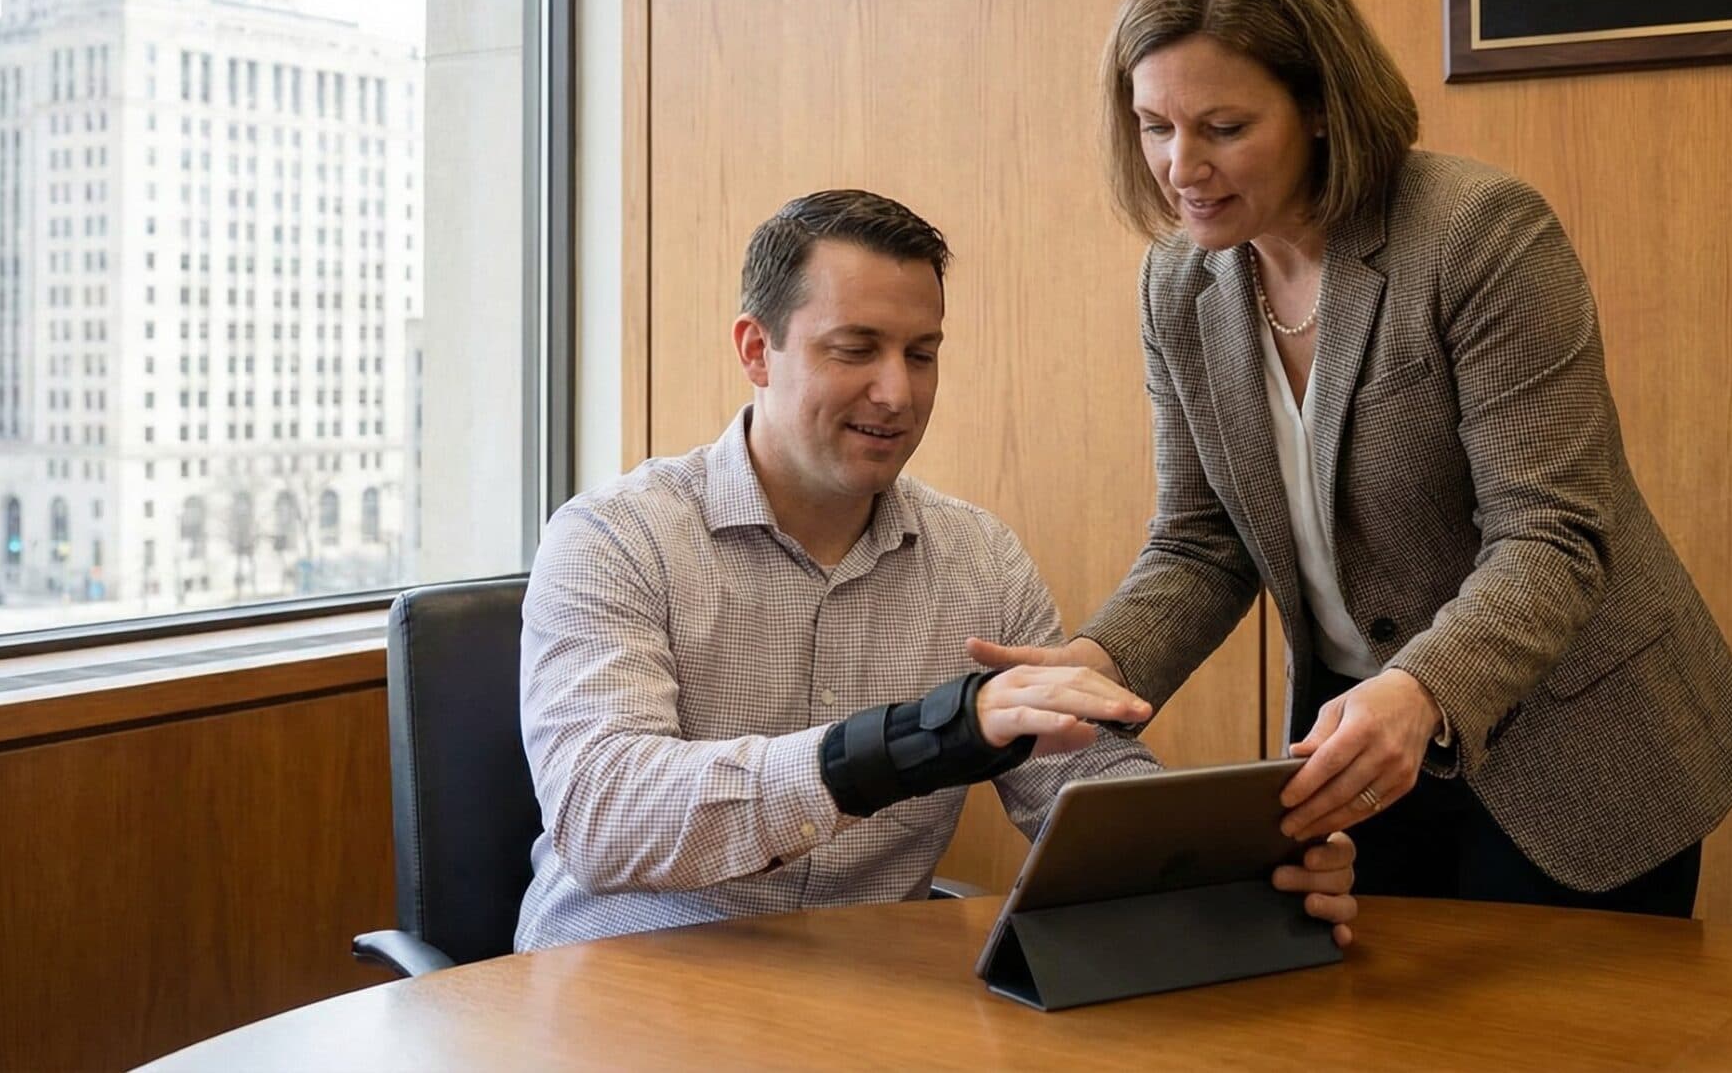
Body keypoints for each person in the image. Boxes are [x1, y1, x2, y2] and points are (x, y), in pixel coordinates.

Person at [973, 0, 1732, 916]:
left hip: (1570, 742)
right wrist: (1099, 664)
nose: (1180, 165)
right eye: (1153, 125)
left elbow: (1550, 535)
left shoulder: (1478, 233)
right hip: (1357, 745)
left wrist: (1423, 689)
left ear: (1317, 106)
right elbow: (1201, 540)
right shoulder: (1176, 282)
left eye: (1222, 127)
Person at [514, 189, 1358, 951]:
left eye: (922, 354)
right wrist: (901, 746)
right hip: (620, 988)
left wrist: (1250, 862)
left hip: (861, 1009)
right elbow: (603, 811)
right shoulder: (615, 537)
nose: (897, 392)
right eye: (857, 349)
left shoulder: (979, 558)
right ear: (755, 349)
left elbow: (1076, 780)